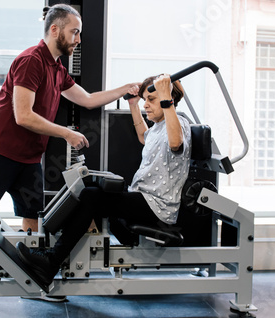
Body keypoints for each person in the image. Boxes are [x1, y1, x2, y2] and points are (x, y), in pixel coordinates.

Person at [0, 3, 140, 311]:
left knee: (32, 216)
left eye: (79, 34)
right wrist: (66, 133)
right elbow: (23, 116)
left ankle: (33, 278)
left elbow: (86, 100)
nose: (78, 40)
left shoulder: (58, 69)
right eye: (74, 32)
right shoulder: (30, 61)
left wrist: (126, 88)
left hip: (30, 158)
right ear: (55, 30)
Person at [16, 73, 192, 287]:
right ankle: (48, 249)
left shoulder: (179, 123)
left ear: (168, 99)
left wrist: (166, 99)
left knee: (92, 196)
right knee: (87, 185)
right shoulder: (158, 127)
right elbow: (143, 137)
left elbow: (175, 143)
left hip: (158, 207)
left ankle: (50, 262)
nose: (147, 105)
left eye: (151, 100)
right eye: (146, 100)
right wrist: (134, 105)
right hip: (143, 198)